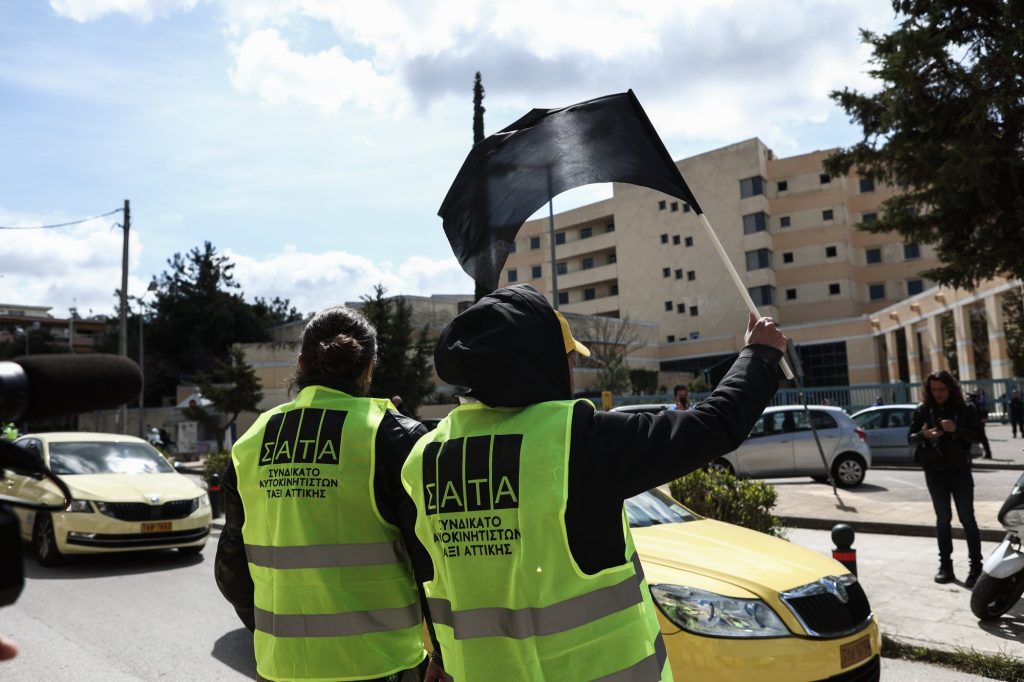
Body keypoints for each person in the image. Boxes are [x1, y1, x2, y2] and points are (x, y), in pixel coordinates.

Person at [400, 284, 785, 681]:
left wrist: (442, 656)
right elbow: (713, 426)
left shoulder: (425, 457)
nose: (570, 371)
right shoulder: (577, 439)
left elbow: (440, 579)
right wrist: (759, 355)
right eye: (567, 359)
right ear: (542, 363)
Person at [215, 305, 444, 682]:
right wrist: (441, 653)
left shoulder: (251, 442)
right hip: (381, 665)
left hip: (282, 667)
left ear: (301, 366)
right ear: (369, 367)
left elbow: (230, 569)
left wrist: (273, 637)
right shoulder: (393, 437)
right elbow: (431, 565)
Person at [908, 370, 984, 587]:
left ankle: (976, 568)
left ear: (950, 388)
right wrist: (923, 436)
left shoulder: (964, 409)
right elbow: (910, 439)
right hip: (934, 472)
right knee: (943, 520)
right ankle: (945, 566)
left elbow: (978, 436)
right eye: (934, 389)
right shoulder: (923, 411)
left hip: (960, 471)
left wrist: (956, 429)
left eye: (942, 389)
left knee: (967, 519)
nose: (938, 393)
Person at [970, 390, 992, 458]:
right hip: (976, 424)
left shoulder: (979, 403)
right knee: (982, 440)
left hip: (977, 424)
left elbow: (985, 411)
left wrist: (985, 418)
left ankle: (987, 454)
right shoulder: (977, 403)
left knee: (982, 440)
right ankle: (987, 454)